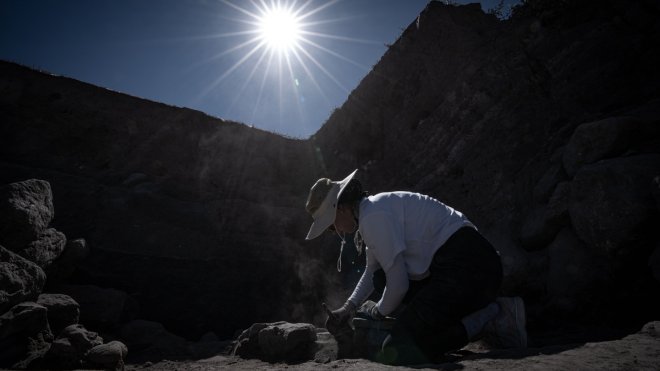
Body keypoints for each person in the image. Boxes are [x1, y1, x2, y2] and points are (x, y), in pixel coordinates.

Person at [305, 169, 527, 364]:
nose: (337, 232)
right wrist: (348, 308)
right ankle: (467, 316)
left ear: (341, 208)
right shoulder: (372, 211)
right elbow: (372, 270)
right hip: (470, 267)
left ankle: (491, 317)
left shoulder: (373, 217)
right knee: (381, 279)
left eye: (332, 226)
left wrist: (378, 311)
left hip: (471, 268)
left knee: (398, 350)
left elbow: (399, 285)